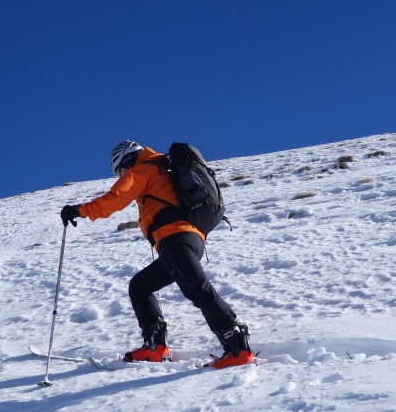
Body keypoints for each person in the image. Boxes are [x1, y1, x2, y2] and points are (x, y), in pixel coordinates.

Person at [60, 140, 254, 368]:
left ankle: (236, 346)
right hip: (185, 240)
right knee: (140, 286)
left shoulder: (144, 169)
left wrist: (78, 210)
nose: (120, 176)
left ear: (127, 161)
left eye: (120, 171)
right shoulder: (159, 170)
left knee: (196, 287)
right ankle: (155, 346)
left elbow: (113, 200)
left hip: (176, 239)